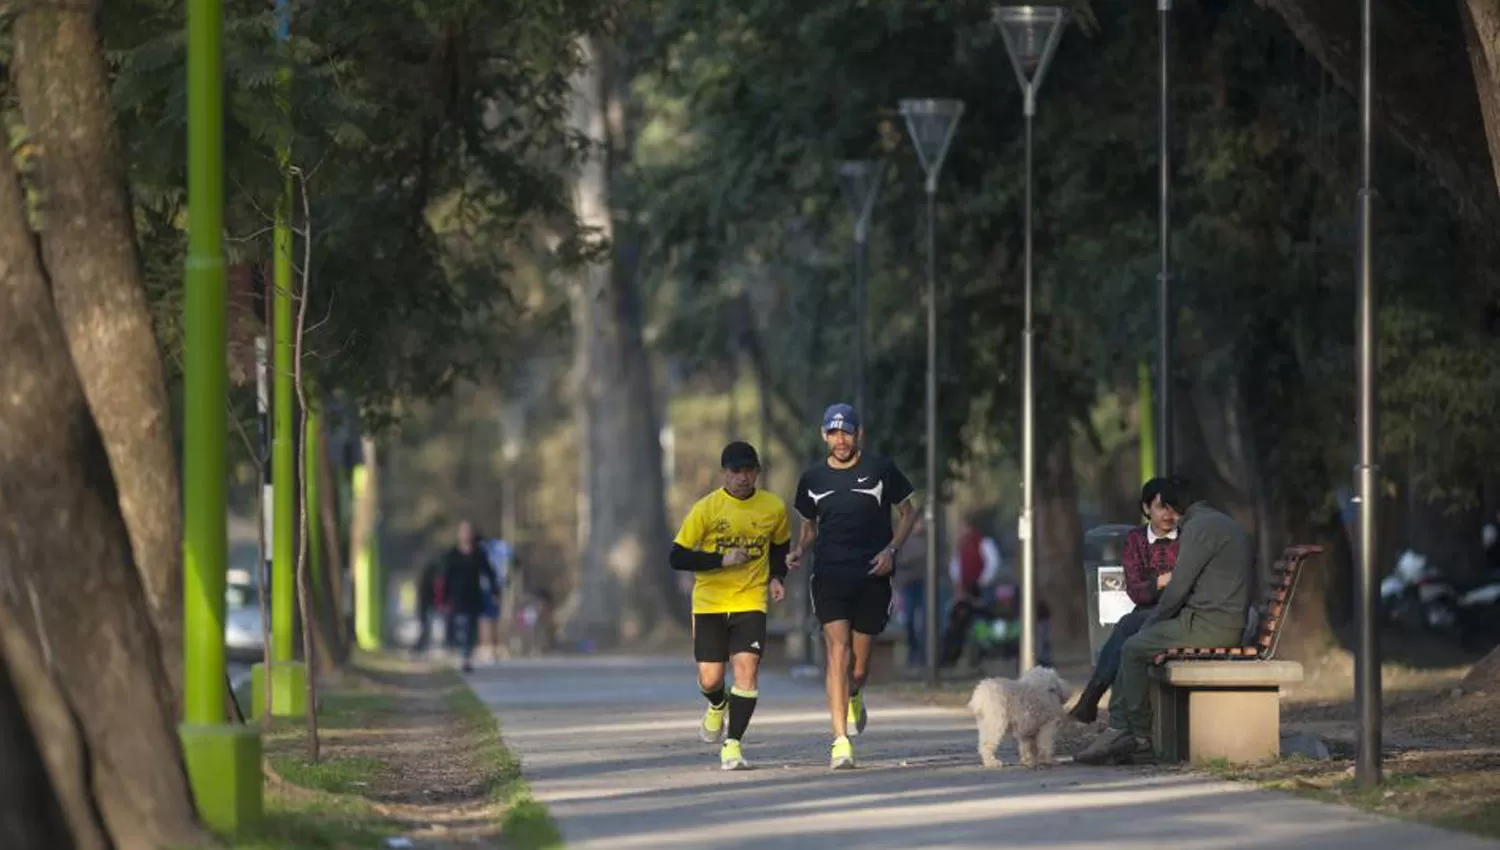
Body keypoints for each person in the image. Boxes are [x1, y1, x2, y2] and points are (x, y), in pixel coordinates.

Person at [1075, 476, 1253, 765]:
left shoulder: (1196, 529)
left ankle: (1134, 734)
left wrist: (1151, 625)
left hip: (1209, 625)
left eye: (1167, 508)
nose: (1168, 517)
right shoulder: (1215, 522)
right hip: (1213, 619)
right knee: (1133, 637)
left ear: (1172, 505)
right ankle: (1119, 728)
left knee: (1133, 648)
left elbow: (1177, 589)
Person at [788, 403, 919, 769]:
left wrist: (892, 549)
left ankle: (855, 693)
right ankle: (840, 741)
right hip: (829, 575)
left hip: (872, 575)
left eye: (847, 432)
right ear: (823, 434)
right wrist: (799, 551)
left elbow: (910, 512)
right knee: (837, 653)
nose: (840, 439)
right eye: (833, 432)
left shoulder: (880, 470)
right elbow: (809, 530)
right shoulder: (812, 479)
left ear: (859, 434)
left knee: (858, 668)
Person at [669, 441, 790, 771]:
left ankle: (733, 744)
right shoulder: (706, 509)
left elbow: (780, 545)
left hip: (751, 600)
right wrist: (721, 559)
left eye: (749, 470)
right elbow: (677, 556)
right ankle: (717, 704)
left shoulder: (773, 508)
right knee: (710, 679)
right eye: (736, 471)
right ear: (724, 473)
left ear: (757, 473)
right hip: (709, 602)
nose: (743, 477)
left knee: (747, 672)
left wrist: (777, 577)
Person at [1068, 478, 1180, 724]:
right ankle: (1115, 716)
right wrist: (1161, 582)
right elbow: (1136, 591)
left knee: (1127, 627)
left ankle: (1093, 699)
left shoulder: (1188, 539)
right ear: (1146, 508)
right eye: (1162, 507)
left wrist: (1157, 585)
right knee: (1129, 630)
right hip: (1148, 612)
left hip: (1179, 612)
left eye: (1174, 508)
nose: (1169, 515)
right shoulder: (1136, 540)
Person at [442, 520, 500, 673]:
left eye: (468, 532)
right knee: (461, 626)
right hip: (457, 597)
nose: (466, 535)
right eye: (463, 532)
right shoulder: (452, 555)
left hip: (474, 596)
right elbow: (446, 577)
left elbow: (488, 573)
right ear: (459, 535)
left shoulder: (478, 554)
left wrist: (495, 592)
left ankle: (466, 656)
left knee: (471, 628)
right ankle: (462, 653)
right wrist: (444, 597)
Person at [892, 517, 928, 670]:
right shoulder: (903, 540)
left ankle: (922, 655)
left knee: (923, 621)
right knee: (909, 620)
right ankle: (913, 654)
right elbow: (898, 560)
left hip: (923, 584)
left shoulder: (929, 539)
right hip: (908, 585)